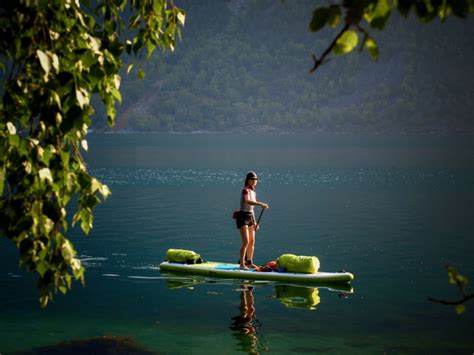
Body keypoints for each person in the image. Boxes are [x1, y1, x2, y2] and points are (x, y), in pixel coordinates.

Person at [235, 171, 269, 270]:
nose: (255, 181)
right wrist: (261, 204)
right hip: (242, 217)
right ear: (248, 180)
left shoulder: (253, 192)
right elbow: (248, 201)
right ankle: (242, 264)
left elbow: (252, 209)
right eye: (253, 179)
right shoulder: (245, 190)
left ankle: (249, 262)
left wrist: (254, 222)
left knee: (252, 241)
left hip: (250, 217)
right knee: (245, 242)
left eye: (256, 179)